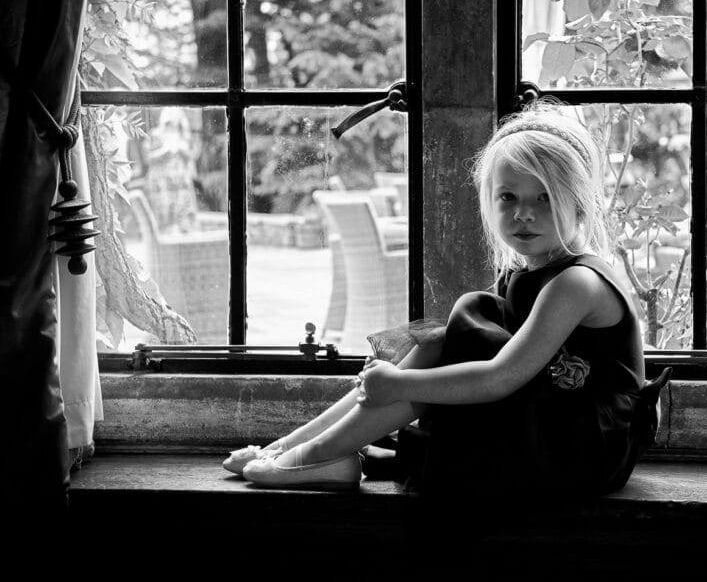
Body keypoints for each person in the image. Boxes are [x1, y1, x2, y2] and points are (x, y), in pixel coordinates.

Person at [224, 103, 667, 497]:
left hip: (586, 445)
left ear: (581, 205)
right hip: (547, 417)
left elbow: (500, 378)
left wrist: (398, 384)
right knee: (441, 339)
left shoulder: (576, 283)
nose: (524, 213)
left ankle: (323, 453)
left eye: (545, 198)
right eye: (508, 197)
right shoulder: (527, 271)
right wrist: (395, 374)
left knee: (454, 345)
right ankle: (299, 447)